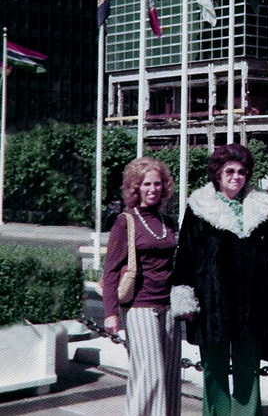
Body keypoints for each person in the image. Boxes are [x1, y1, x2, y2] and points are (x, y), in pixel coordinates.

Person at [170, 143, 268, 416]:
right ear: (217, 174)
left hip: (252, 302)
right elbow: (185, 254)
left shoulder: (260, 206)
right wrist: (184, 295)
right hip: (213, 303)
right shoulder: (199, 207)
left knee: (249, 368)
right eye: (230, 171)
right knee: (214, 370)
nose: (236, 176)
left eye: (242, 172)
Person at [102, 157, 181, 416]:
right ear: (135, 188)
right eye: (146, 184)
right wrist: (110, 312)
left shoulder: (167, 222)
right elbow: (111, 269)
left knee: (169, 376)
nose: (152, 189)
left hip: (168, 306)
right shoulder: (126, 221)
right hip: (140, 306)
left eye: (157, 184)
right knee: (149, 373)